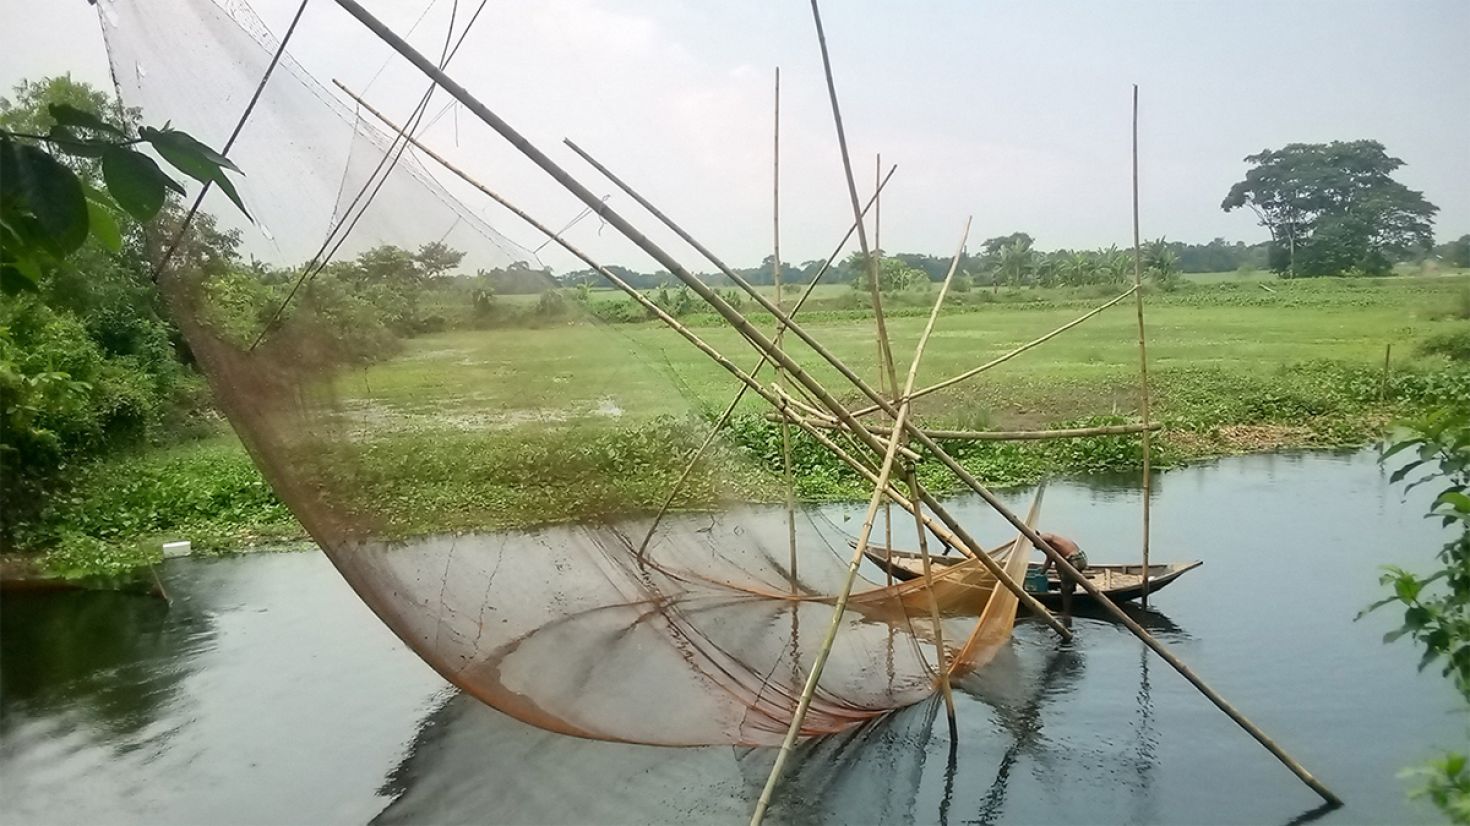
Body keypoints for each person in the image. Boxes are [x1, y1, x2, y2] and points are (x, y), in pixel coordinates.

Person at [1034, 531, 1088, 618]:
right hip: (1080, 559)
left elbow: (1049, 537)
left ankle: (1066, 613)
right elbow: (1048, 562)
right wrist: (1041, 573)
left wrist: (1036, 539)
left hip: (1074, 560)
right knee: (1066, 580)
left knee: (1065, 589)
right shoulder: (1051, 546)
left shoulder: (1047, 537)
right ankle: (1070, 598)